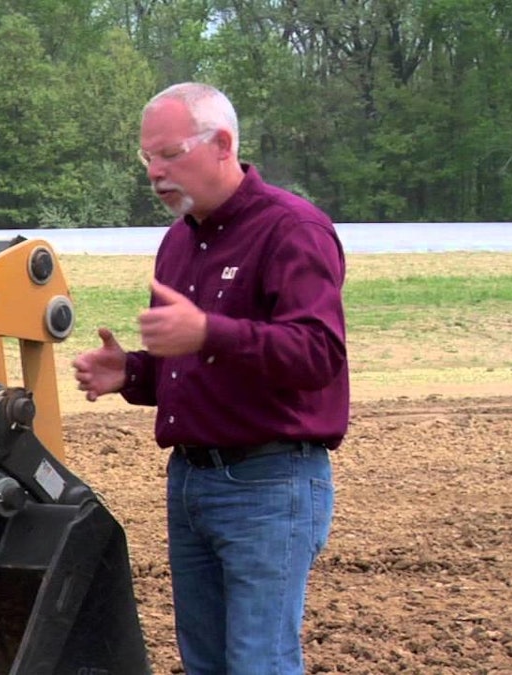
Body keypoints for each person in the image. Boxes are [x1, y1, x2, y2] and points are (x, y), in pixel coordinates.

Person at [72, 82, 348, 674]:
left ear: (222, 144)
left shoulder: (292, 229)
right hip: (192, 483)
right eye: (147, 157)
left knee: (258, 664)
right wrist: (133, 373)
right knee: (208, 664)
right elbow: (189, 367)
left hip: (269, 483)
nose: (155, 172)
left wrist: (208, 333)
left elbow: (318, 354)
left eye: (170, 154)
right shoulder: (178, 242)